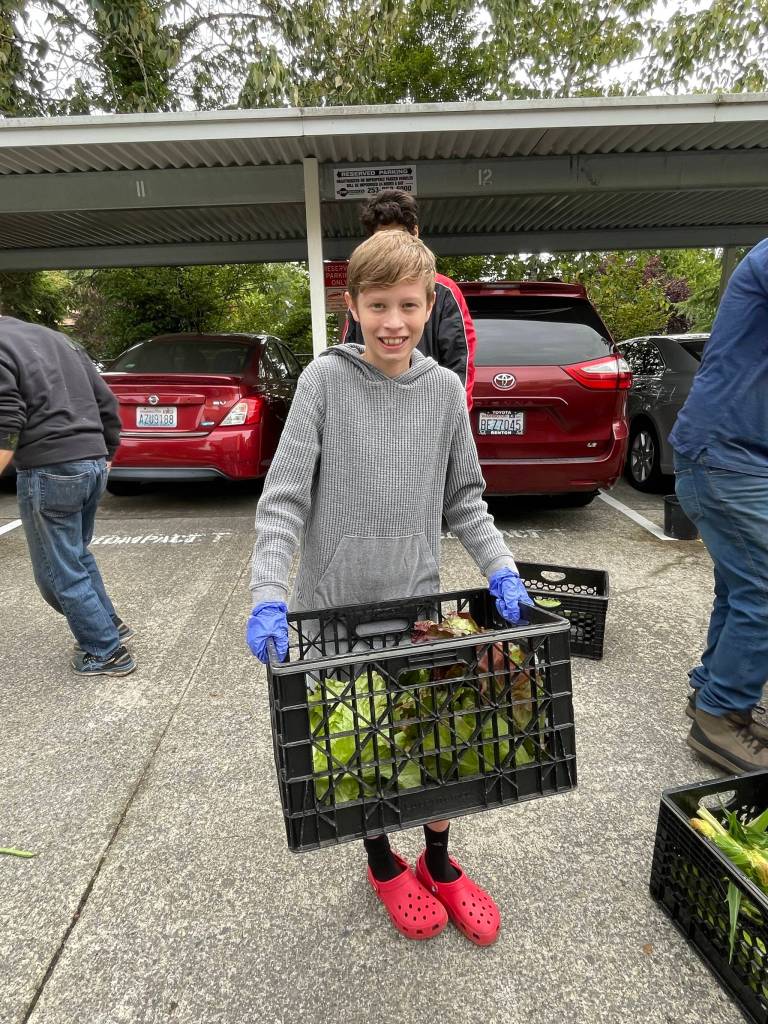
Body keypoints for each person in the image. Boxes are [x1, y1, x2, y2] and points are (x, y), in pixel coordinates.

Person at [247, 230, 532, 944]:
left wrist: (501, 567)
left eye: (408, 305)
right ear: (352, 306)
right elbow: (284, 499)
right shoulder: (322, 383)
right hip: (334, 614)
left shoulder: (442, 391)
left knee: (435, 742)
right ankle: (381, 862)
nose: (393, 322)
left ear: (430, 305)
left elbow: (465, 501)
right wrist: (267, 594)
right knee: (363, 749)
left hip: (418, 612)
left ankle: (438, 859)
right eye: (378, 305)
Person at [671, 238, 768, 773]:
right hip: (727, 455)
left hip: (731, 453)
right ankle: (720, 715)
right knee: (763, 588)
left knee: (741, 584)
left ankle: (714, 691)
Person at [0, 316, 135, 677]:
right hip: (92, 462)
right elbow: (106, 401)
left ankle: (105, 651)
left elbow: (6, 419)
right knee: (76, 556)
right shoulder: (57, 339)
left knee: (57, 572)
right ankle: (108, 623)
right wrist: (106, 453)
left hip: (49, 467)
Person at [341, 188, 477, 410]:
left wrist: (451, 416)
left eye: (409, 305)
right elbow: (350, 355)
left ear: (415, 233)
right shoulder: (364, 291)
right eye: (383, 237)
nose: (394, 245)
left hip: (429, 411)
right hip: (373, 412)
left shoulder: (444, 291)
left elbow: (460, 362)